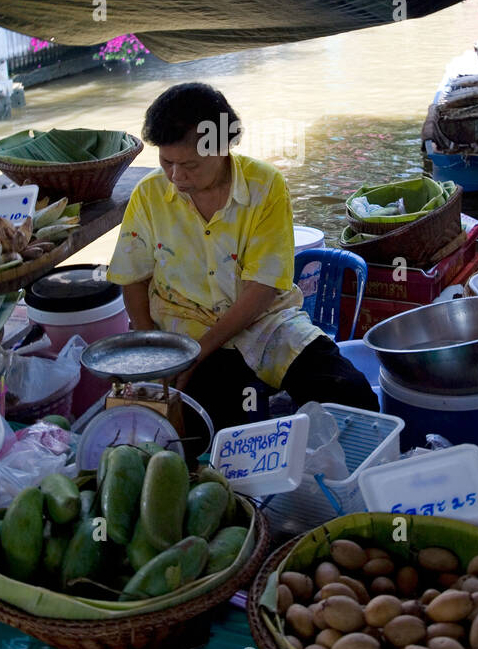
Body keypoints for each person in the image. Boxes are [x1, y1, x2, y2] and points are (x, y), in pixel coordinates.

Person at [107, 82, 379, 429]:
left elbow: (261, 289)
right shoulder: (148, 195)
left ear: (222, 147)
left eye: (189, 164)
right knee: (208, 424)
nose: (176, 177)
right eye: (166, 162)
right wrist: (153, 355)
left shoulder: (265, 186)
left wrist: (200, 352)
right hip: (182, 324)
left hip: (263, 321)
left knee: (350, 393)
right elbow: (132, 279)